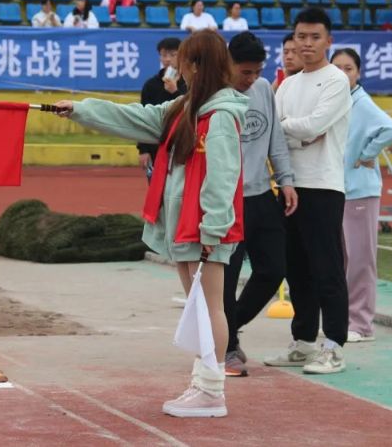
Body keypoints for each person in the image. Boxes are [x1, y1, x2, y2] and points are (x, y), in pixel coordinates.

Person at [51, 30, 248, 418]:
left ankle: (211, 390)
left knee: (210, 307)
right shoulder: (183, 107)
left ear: (196, 65)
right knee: (198, 307)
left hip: (204, 226)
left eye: (183, 61)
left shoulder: (221, 115)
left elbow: (224, 176)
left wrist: (213, 228)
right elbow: (135, 117)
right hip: (185, 222)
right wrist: (80, 110)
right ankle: (203, 382)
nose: (177, 68)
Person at [266, 7, 351, 375]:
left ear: (328, 41)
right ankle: (303, 341)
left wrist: (289, 129)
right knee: (296, 268)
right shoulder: (287, 84)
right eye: (301, 36)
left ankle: (334, 345)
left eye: (315, 37)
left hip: (323, 186)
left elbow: (315, 126)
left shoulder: (335, 81)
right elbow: (276, 132)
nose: (307, 43)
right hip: (288, 185)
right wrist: (296, 132)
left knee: (326, 268)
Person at [223, 32, 297, 377]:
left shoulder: (264, 89)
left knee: (273, 268)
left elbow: (275, 139)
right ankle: (226, 347)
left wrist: (286, 180)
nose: (251, 78)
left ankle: (226, 327)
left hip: (261, 195)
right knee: (226, 278)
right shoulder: (214, 96)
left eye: (257, 71)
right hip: (225, 200)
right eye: (245, 72)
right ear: (228, 64)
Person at [331, 48, 392, 343]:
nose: (342, 74)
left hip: (360, 191)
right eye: (337, 68)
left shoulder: (361, 102)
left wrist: (367, 154)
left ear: (358, 73)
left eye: (348, 68)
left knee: (360, 259)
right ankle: (342, 320)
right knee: (342, 259)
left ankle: (360, 324)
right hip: (338, 189)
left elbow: (391, 130)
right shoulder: (336, 101)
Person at [137, 37, 187, 180]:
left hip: (182, 144)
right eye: (164, 55)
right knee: (156, 187)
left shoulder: (188, 83)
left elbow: (191, 110)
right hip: (156, 144)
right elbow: (144, 116)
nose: (168, 59)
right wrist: (143, 149)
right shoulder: (151, 85)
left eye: (173, 55)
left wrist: (175, 92)